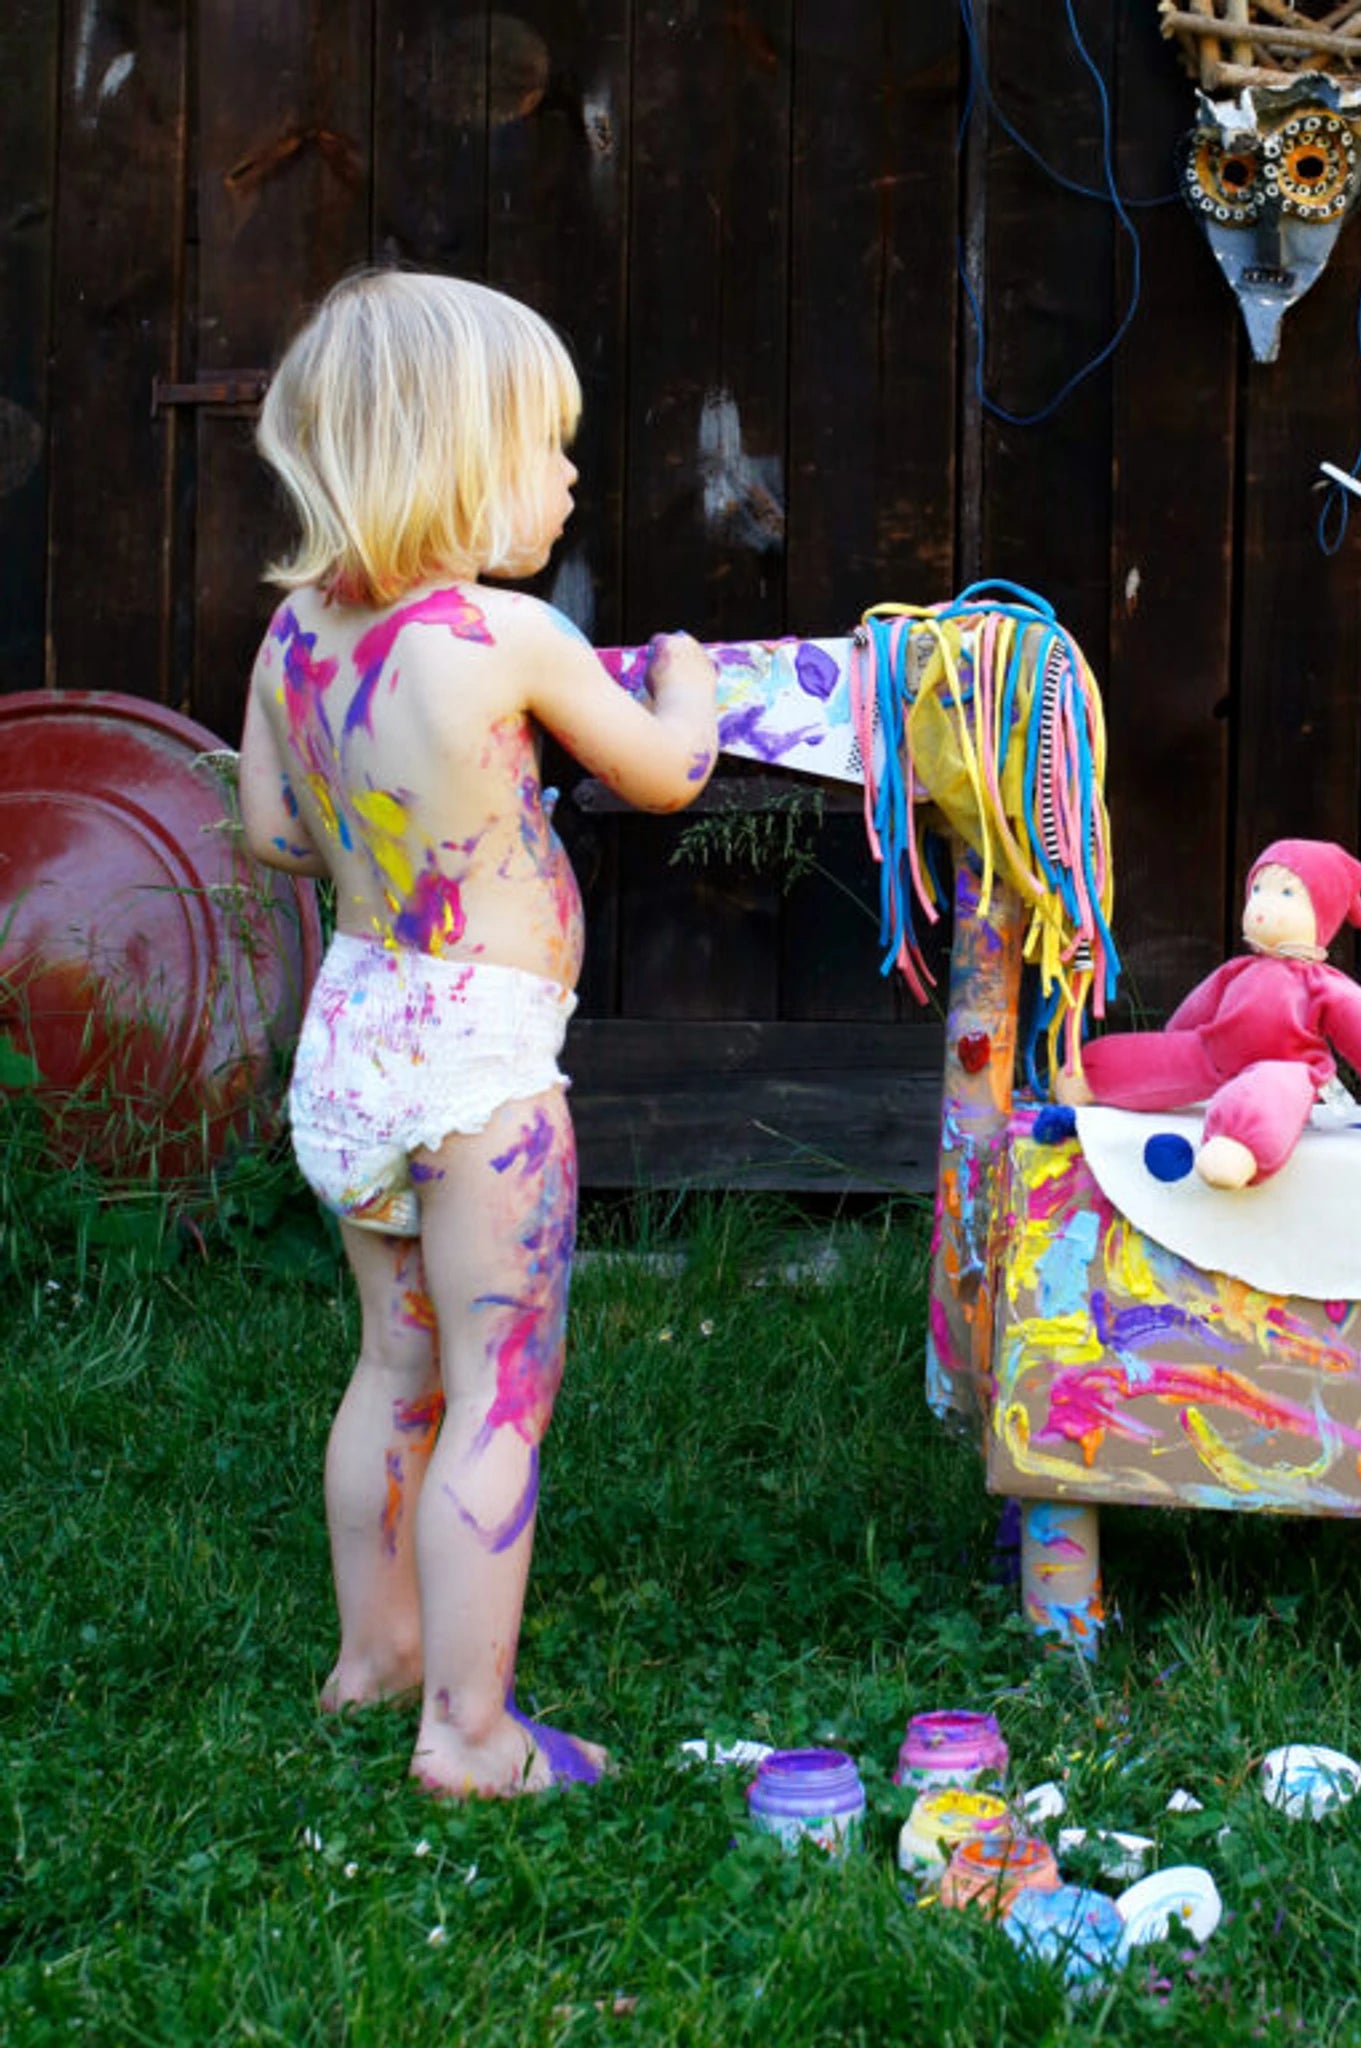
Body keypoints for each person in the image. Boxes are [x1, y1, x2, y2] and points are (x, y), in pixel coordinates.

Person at [236, 269, 720, 1794]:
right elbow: (665, 774)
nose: (571, 479)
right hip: (481, 1071)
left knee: (395, 1367)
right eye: (548, 445)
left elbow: (268, 832)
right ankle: (469, 1733)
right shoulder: (505, 635)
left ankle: (372, 1658)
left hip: (358, 1039)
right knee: (501, 1391)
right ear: (454, 456)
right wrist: (687, 679)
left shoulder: (293, 642)